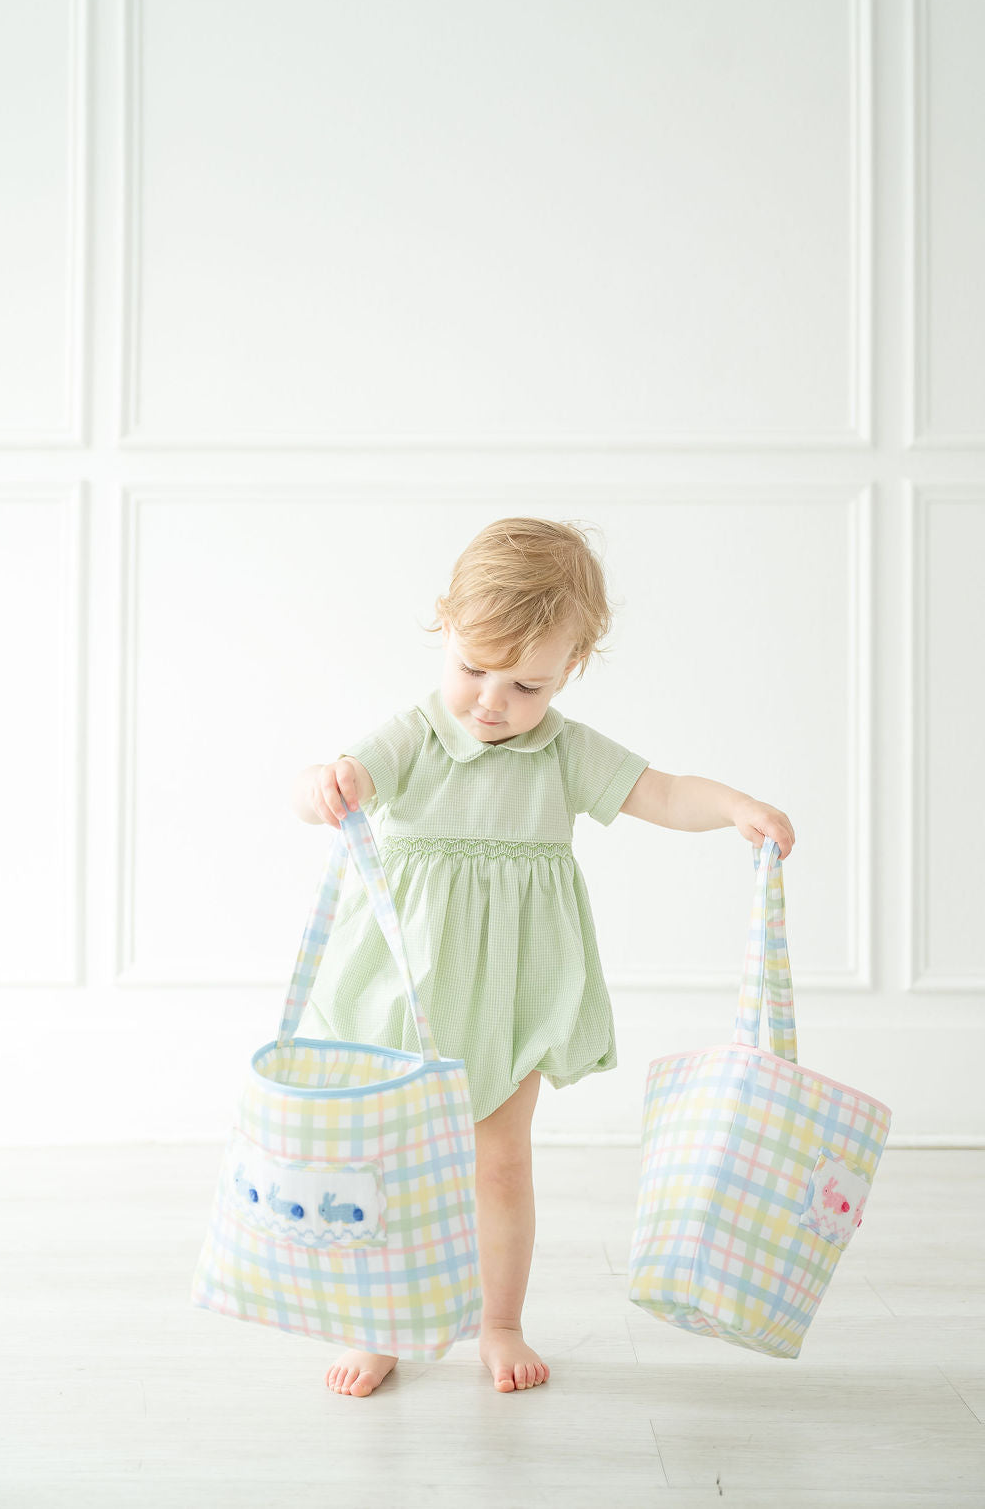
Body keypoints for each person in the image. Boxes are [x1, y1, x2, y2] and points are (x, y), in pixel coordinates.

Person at [290, 516, 795, 1398]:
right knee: (390, 1158)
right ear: (444, 632)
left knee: (502, 1160)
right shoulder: (415, 734)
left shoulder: (563, 750)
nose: (492, 700)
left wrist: (735, 806)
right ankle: (375, 1324)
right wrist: (324, 785)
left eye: (526, 683)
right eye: (473, 669)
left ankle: (499, 1320)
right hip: (406, 989)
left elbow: (663, 792)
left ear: (571, 669)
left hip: (513, 993)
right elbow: (346, 777)